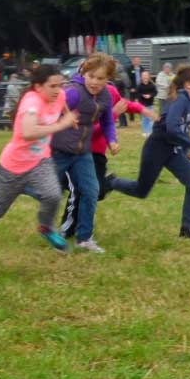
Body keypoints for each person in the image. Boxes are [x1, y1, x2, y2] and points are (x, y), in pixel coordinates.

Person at [0, 64, 78, 264]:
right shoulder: (31, 102)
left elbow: (62, 103)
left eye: (60, 85)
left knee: (53, 195)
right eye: (53, 86)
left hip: (40, 162)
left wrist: (68, 116)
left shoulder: (59, 95)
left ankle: (46, 227)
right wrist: (61, 124)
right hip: (12, 168)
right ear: (38, 87)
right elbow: (28, 132)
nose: (58, 90)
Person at [105, 66, 190, 239]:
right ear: (189, 84)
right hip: (156, 148)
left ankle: (187, 229)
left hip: (173, 151)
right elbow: (172, 128)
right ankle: (112, 182)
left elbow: (182, 130)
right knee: (141, 191)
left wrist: (185, 150)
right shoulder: (181, 100)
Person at [50, 54, 122, 253]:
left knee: (91, 191)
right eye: (91, 76)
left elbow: (107, 121)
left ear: (108, 78)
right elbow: (51, 113)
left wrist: (112, 140)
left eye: (100, 78)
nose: (95, 82)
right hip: (59, 152)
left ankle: (84, 238)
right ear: (84, 73)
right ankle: (21, 185)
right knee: (47, 192)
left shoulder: (106, 95)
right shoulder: (73, 92)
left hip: (83, 153)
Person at [134, 70, 157, 138]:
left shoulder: (152, 85)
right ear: (141, 77)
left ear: (148, 76)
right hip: (143, 105)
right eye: (143, 76)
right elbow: (137, 93)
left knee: (150, 118)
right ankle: (144, 131)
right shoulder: (139, 86)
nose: (145, 77)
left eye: (146, 75)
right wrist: (142, 95)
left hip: (150, 104)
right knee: (144, 119)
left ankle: (149, 131)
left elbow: (155, 92)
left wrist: (150, 95)